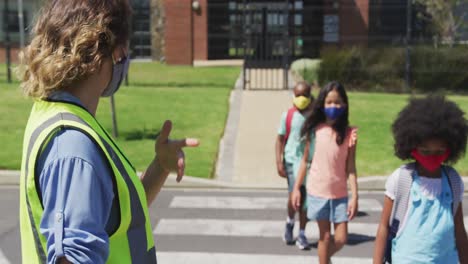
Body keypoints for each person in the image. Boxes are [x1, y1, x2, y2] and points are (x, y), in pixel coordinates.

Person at [17, 1, 199, 263]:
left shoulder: (55, 114)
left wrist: (160, 166)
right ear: (105, 52)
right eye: (122, 49)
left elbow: (115, 218)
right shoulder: (71, 144)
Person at [373, 96, 468, 264]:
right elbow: (383, 228)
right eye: (425, 151)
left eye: (439, 151)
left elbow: (459, 231)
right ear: (412, 147)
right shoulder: (401, 179)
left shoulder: (452, 181)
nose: (432, 157)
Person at [292, 81, 358, 264]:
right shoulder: (314, 131)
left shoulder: (349, 134)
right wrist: (297, 188)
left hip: (340, 195)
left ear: (344, 105)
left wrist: (354, 197)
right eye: (329, 102)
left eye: (337, 102)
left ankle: (324, 259)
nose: (333, 106)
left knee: (341, 239)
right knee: (325, 237)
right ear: (322, 104)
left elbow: (351, 168)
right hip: (318, 192)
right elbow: (306, 161)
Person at [275, 81, 314, 250]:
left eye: (305, 95)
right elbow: (279, 139)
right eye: (298, 95)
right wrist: (278, 161)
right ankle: (290, 222)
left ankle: (303, 232)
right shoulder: (288, 115)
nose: (301, 99)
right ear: (293, 96)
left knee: (305, 201)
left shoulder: (313, 117)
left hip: (309, 165)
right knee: (295, 196)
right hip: (291, 161)